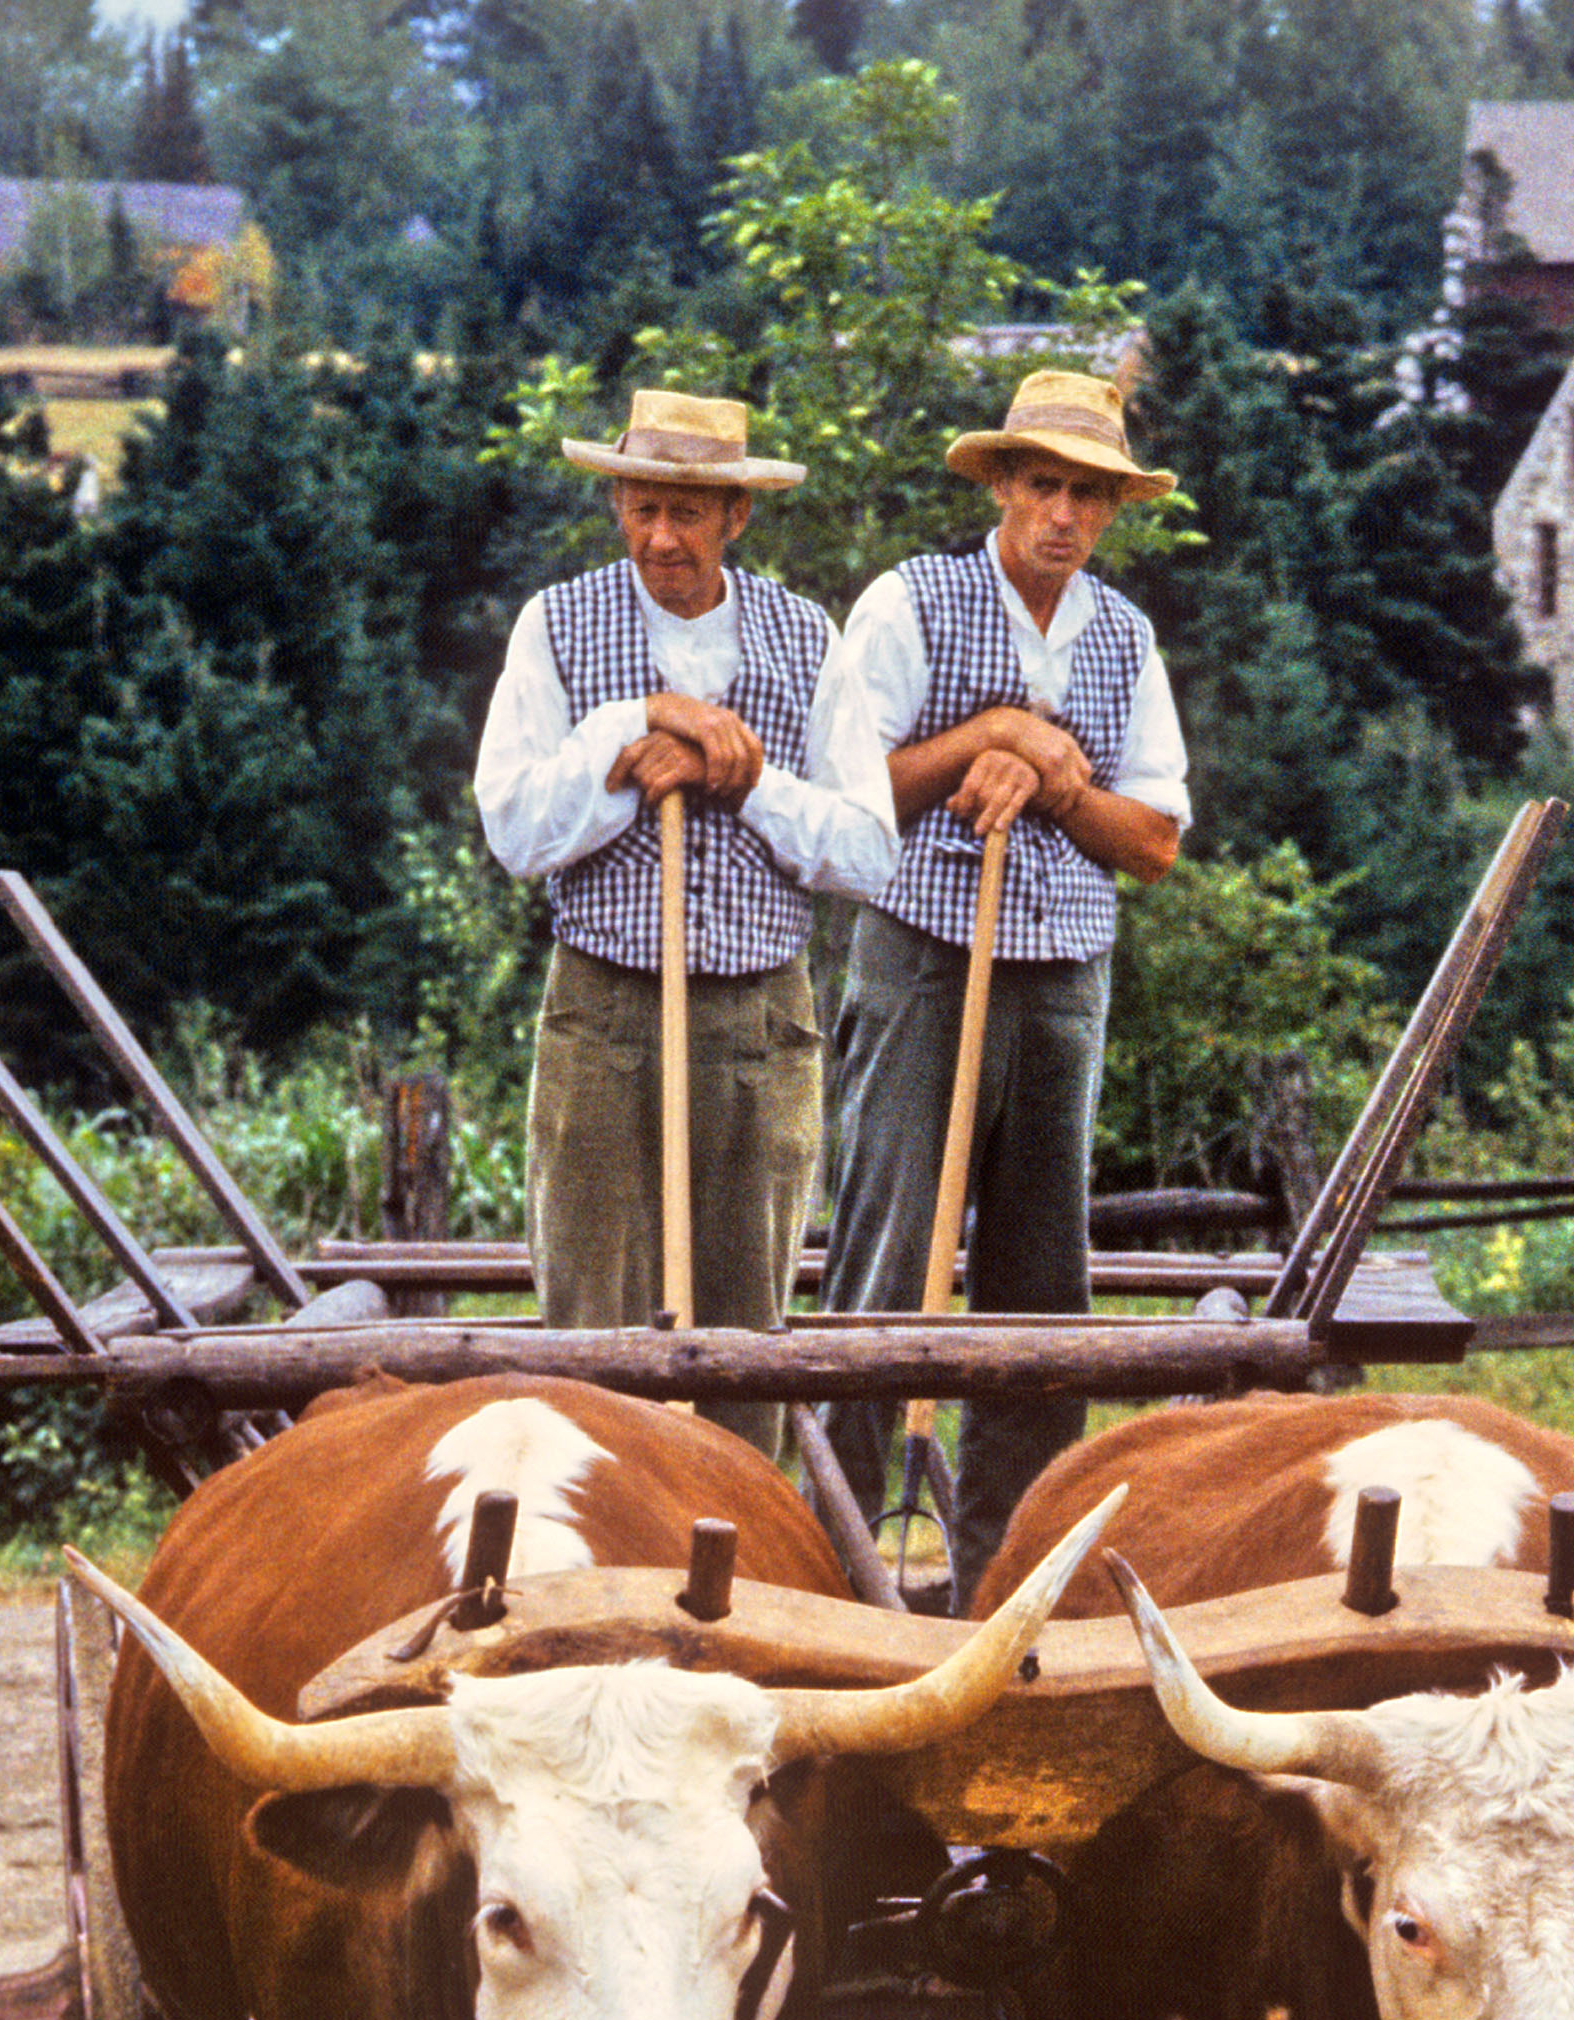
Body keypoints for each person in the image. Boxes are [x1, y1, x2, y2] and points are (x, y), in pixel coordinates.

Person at [813, 341, 1191, 1589]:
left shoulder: (1127, 637)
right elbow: (845, 797)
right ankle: (839, 1563)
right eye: (1044, 488)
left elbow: (1154, 841)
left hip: (1063, 980)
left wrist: (1058, 775)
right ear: (1002, 489)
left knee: (1042, 1288)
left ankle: (1006, 1578)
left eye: (1091, 496)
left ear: (1114, 511)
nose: (1066, 516)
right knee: (885, 1261)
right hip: (922, 957)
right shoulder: (910, 600)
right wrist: (985, 734)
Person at [470, 384, 892, 1337]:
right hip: (602, 1012)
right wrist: (635, 725)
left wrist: (744, 782)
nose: (662, 536)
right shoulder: (555, 625)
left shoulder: (806, 637)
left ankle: (736, 1493)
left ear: (737, 515)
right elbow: (514, 831)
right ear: (617, 503)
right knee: (596, 1327)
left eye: (688, 513)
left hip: (759, 1023)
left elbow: (871, 852)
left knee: (746, 1333)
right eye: (643, 507)